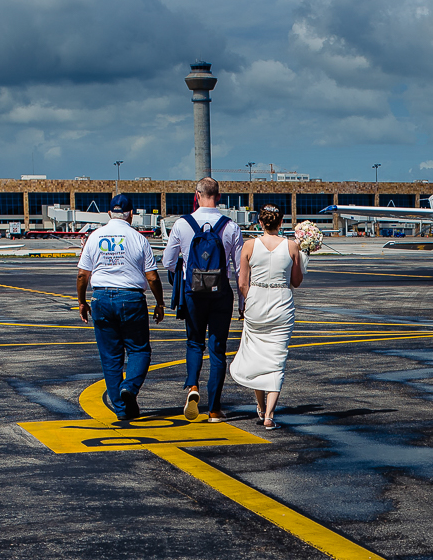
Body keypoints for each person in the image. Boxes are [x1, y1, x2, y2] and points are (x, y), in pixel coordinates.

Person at [76, 193, 163, 423]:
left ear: (108, 214)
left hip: (102, 297)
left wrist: (82, 301)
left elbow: (83, 274)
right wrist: (160, 302)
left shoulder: (95, 237)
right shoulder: (138, 238)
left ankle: (122, 409)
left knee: (111, 357)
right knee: (139, 350)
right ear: (131, 214)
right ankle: (130, 388)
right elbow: (152, 277)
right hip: (131, 298)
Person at [162, 177, 243, 423]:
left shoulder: (182, 224)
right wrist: (242, 303)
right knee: (218, 349)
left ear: (196, 195)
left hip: (193, 292)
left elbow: (167, 262)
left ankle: (193, 387)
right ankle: (215, 409)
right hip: (221, 294)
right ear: (218, 196)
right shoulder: (231, 226)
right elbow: (240, 270)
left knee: (194, 342)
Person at [228, 204, 303, 430]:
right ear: (281, 223)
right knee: (276, 358)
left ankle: (261, 407)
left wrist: (251, 300)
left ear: (260, 223)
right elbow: (297, 281)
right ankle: (269, 414)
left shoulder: (249, 245)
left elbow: (242, 282)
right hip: (281, 304)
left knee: (257, 355)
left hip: (256, 302)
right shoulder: (291, 246)